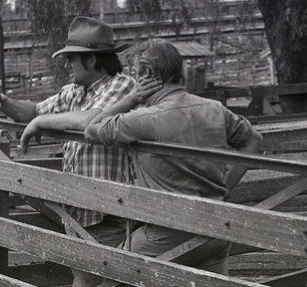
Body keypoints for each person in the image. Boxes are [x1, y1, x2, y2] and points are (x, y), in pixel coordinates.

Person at [0, 16, 160, 287]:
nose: (66, 65)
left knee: (89, 281)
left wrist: (39, 123)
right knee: (90, 278)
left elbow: (93, 121)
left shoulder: (122, 86)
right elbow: (33, 111)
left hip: (109, 210)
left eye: (71, 59)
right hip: (80, 212)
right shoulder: (72, 92)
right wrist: (4, 104)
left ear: (91, 60)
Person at [84, 39, 263, 275]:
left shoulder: (143, 118)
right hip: (216, 229)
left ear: (147, 74)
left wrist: (131, 99)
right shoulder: (214, 109)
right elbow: (254, 141)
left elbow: (90, 129)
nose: (135, 82)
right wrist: (225, 188)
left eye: (137, 75)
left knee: (112, 275)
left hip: (166, 233)